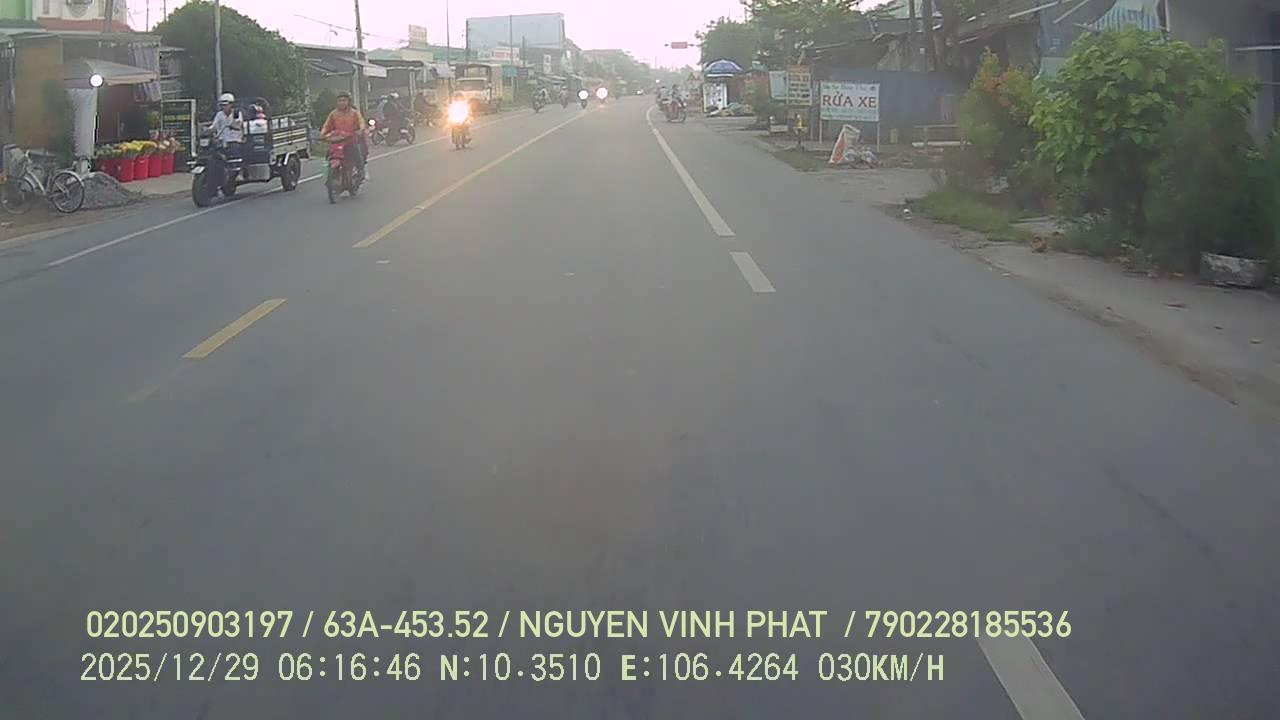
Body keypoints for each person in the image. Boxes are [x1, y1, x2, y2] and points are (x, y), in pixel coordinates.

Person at [321, 91, 369, 181]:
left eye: (344, 100)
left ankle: (361, 171)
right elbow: (326, 126)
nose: (342, 102)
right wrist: (323, 135)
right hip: (337, 141)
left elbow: (361, 123)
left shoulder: (354, 113)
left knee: (357, 155)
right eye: (340, 100)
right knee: (328, 155)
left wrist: (360, 130)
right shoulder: (333, 114)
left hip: (350, 140)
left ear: (349, 101)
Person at [208, 92, 244, 190]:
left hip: (234, 139)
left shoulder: (237, 113)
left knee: (235, 151)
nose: (224, 107)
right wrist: (208, 130)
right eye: (222, 105)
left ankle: (239, 172)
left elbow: (238, 123)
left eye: (226, 105)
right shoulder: (219, 114)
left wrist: (233, 125)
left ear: (231, 104)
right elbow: (214, 125)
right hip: (222, 140)